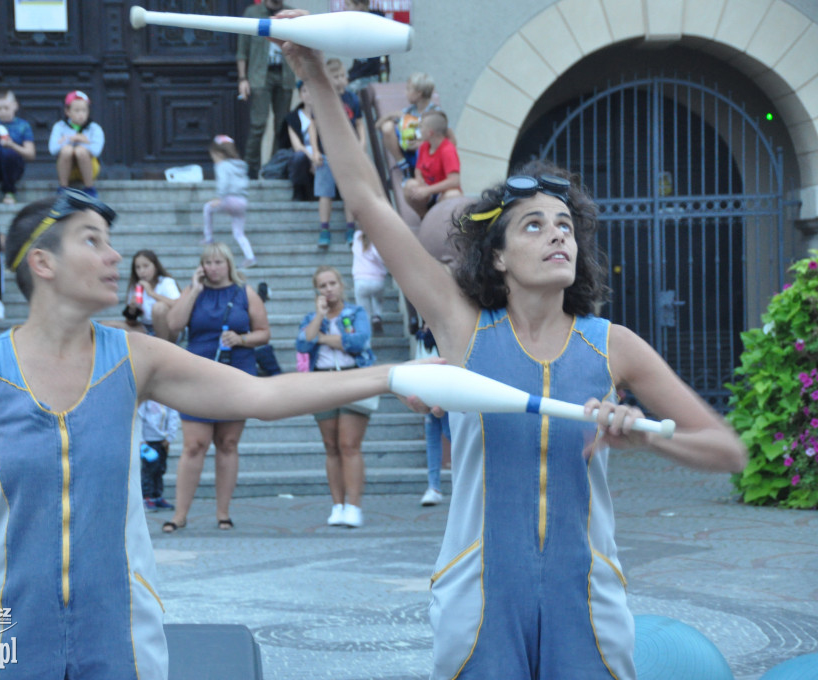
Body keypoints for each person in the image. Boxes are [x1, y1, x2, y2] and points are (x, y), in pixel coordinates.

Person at [285, 29, 746, 679]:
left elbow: (725, 450)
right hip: (478, 600)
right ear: (497, 255)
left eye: (565, 226)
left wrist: (647, 441)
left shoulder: (614, 346)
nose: (557, 235)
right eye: (534, 224)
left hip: (586, 602)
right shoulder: (463, 329)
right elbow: (364, 198)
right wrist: (314, 77)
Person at [0, 189, 397, 680]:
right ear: (43, 263)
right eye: (92, 240)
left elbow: (262, 397)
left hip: (120, 634)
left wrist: (391, 377)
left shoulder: (134, 358)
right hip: (3, 637)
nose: (114, 256)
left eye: (109, 241)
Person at [162, 243, 270, 532]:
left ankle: (223, 512)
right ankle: (179, 514)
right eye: (207, 262)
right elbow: (173, 324)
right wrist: (194, 290)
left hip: (235, 372)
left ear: (229, 264)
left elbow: (264, 333)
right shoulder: (193, 291)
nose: (212, 267)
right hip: (197, 375)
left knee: (228, 443)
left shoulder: (245, 293)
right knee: (194, 445)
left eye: (218, 262)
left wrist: (242, 339)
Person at [296, 265, 376, 528]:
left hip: (354, 377)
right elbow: (303, 344)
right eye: (323, 285)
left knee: (349, 444)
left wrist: (324, 338)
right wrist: (320, 319)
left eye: (332, 284)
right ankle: (337, 505)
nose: (328, 289)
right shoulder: (312, 317)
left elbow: (358, 342)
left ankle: (354, 505)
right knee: (330, 446)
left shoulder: (356, 312)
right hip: (322, 380)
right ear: (316, 290)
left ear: (341, 286)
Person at [236, 0, 296, 179]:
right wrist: (242, 78)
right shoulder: (252, 12)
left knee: (281, 125)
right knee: (258, 124)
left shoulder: (291, 14)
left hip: (285, 75)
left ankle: (275, 169)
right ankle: (250, 169)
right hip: (260, 75)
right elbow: (242, 49)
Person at [314, 58, 366, 249]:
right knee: (325, 193)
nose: (340, 80)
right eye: (335, 77)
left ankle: (351, 228)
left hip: (349, 154)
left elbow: (359, 123)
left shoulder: (352, 98)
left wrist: (362, 143)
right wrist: (316, 150)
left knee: (349, 192)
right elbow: (314, 125)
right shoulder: (323, 97)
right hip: (328, 154)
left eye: (342, 75)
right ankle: (324, 229)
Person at [375, 72, 441, 179]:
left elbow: (441, 141)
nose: (405, 92)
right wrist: (392, 115)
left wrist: (420, 144)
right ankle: (402, 165)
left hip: (423, 156)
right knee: (387, 126)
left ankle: (421, 174)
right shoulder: (409, 112)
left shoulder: (435, 113)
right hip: (407, 152)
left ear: (418, 93)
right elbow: (377, 126)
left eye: (408, 89)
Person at [203, 134, 255, 268]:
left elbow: (223, 183)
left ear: (219, 154)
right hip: (242, 201)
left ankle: (208, 238)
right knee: (239, 233)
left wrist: (219, 198)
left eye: (213, 156)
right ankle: (250, 257)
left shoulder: (222, 166)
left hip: (228, 200)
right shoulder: (241, 165)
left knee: (208, 208)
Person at [0, 89, 36, 204]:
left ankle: (9, 191)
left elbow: (31, 154)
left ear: (15, 106)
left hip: (12, 166)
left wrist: (12, 145)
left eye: (6, 108)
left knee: (8, 153)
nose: (2, 112)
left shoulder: (23, 125)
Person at [402, 110, 462, 219]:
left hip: (442, 193)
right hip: (428, 191)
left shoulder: (447, 150)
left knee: (453, 195)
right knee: (409, 186)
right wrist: (419, 180)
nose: (419, 131)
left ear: (430, 132)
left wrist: (427, 190)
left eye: (421, 127)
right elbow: (418, 169)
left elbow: (454, 180)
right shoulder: (425, 145)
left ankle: (439, 221)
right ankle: (424, 217)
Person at [415, 322, 450, 506]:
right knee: (432, 439)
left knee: (453, 435)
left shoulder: (445, 329)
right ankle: (433, 486)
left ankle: (467, 484)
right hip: (427, 395)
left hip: (447, 394)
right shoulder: (421, 334)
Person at [49, 90, 105, 197]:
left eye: (84, 110)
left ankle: (89, 188)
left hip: (90, 168)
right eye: (77, 110)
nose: (81, 114)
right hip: (68, 170)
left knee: (81, 151)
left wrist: (84, 141)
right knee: (67, 150)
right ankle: (63, 188)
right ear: (67, 111)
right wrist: (68, 140)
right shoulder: (59, 127)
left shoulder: (94, 128)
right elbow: (53, 149)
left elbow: (97, 151)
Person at [123, 249, 180, 338]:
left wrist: (151, 293)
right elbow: (130, 322)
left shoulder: (166, 282)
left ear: (155, 266)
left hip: (169, 328)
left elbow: (178, 305)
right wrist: (132, 309)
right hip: (146, 327)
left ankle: (162, 348)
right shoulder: (136, 286)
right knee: (109, 325)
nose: (141, 271)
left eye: (146, 266)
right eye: (138, 267)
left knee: (159, 307)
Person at [139, 398, 180, 512]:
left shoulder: (167, 399)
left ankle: (157, 496)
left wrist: (170, 437)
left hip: (162, 441)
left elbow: (173, 416)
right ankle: (147, 497)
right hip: (148, 441)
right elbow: (139, 417)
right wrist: (141, 440)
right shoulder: (145, 400)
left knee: (160, 469)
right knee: (149, 470)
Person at [284, 80, 320, 202]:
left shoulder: (323, 116)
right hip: (305, 155)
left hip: (321, 154)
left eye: (311, 90)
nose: (308, 94)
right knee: (299, 157)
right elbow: (297, 146)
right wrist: (312, 159)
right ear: (300, 95)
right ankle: (298, 190)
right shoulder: (293, 117)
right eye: (304, 91)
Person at [343, 0, 387, 95]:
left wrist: (351, 77)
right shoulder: (357, 23)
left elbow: (371, 62)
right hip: (359, 74)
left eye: (348, 5)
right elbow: (358, 61)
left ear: (359, 5)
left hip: (370, 76)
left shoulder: (374, 22)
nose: (346, 8)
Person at [351, 228, 388, 335]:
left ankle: (366, 337)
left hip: (360, 280)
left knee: (363, 311)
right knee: (378, 299)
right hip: (377, 280)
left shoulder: (357, 235)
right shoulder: (379, 238)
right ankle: (377, 315)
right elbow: (380, 256)